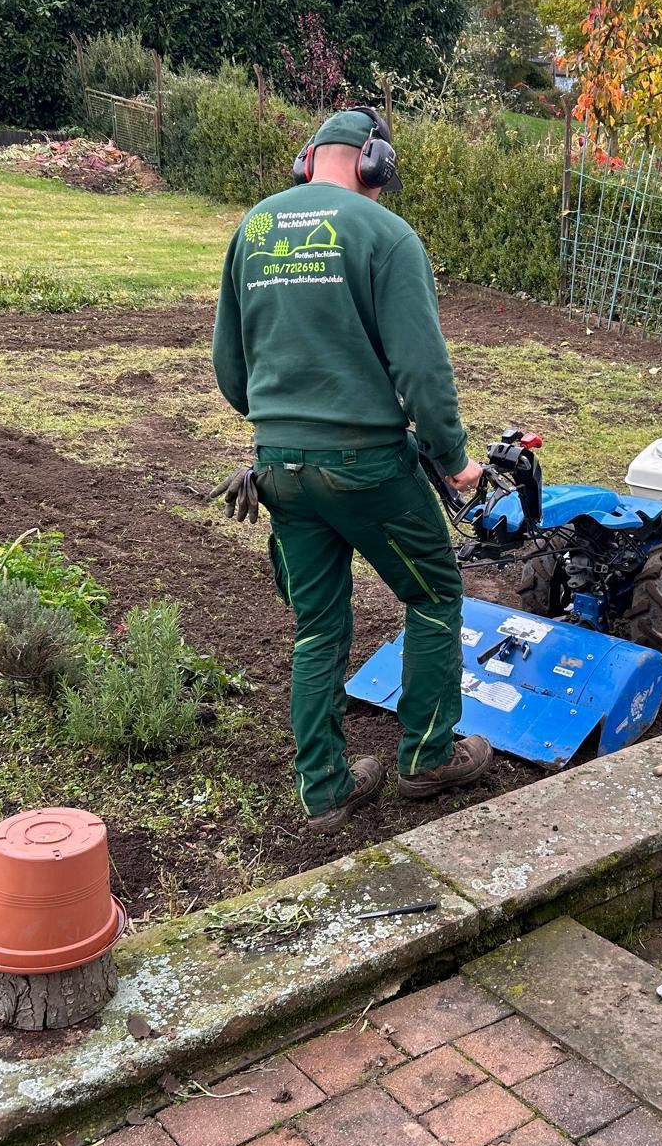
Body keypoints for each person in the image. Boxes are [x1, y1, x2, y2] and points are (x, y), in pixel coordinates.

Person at [211, 105, 493, 834]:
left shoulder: (254, 229)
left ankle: (325, 791)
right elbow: (422, 371)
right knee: (433, 592)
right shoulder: (386, 235)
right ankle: (427, 758)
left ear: (309, 160)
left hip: (278, 467)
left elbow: (231, 371)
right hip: (367, 468)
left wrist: (283, 421)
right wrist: (454, 459)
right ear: (376, 163)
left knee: (318, 624)